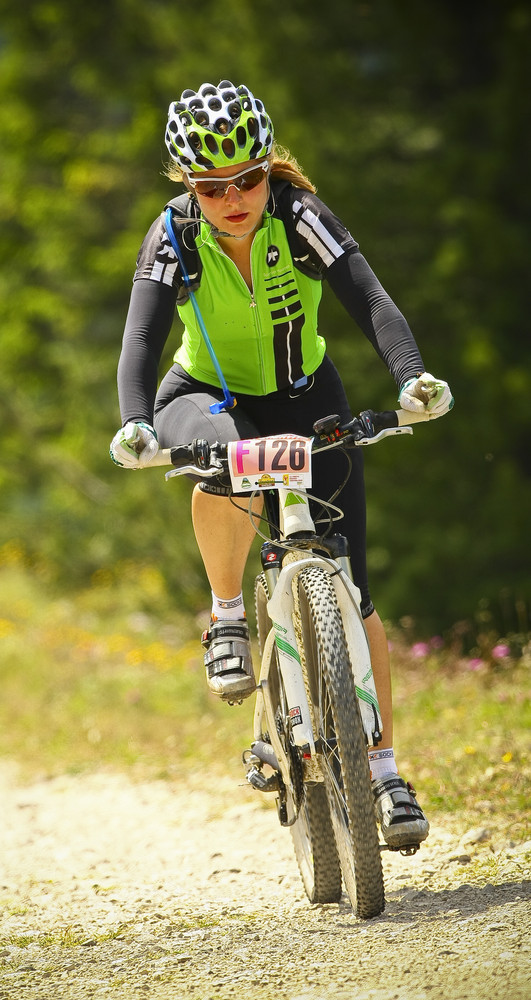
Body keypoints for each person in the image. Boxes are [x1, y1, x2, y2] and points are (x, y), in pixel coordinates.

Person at [110, 80, 453, 850]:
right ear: (186, 186)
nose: (232, 198)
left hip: (305, 394)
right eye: (211, 186)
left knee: (355, 593)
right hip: (204, 395)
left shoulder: (301, 218)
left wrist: (409, 376)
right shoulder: (171, 236)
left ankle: (385, 770)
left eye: (247, 179)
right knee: (219, 458)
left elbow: (369, 299)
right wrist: (134, 421)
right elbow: (139, 340)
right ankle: (227, 618)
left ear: (268, 169)